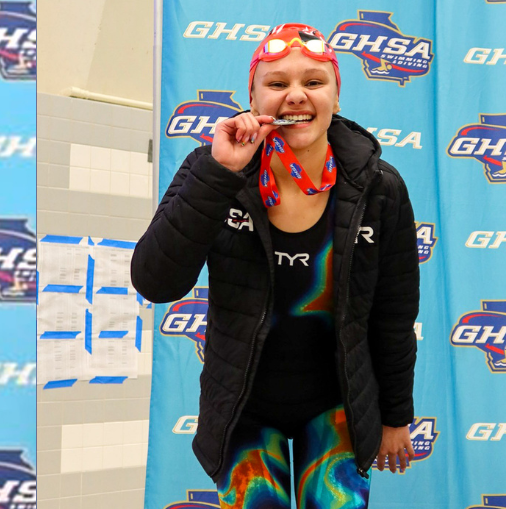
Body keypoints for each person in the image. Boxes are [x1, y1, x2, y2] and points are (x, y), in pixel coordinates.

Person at [131, 23, 419, 508]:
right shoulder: (215, 170)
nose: (295, 96)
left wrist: (395, 416)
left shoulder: (380, 187)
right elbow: (156, 282)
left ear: (336, 96)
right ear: (253, 97)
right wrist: (219, 175)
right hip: (245, 407)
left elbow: (393, 315)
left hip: (338, 407)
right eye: (277, 83)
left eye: (313, 81)